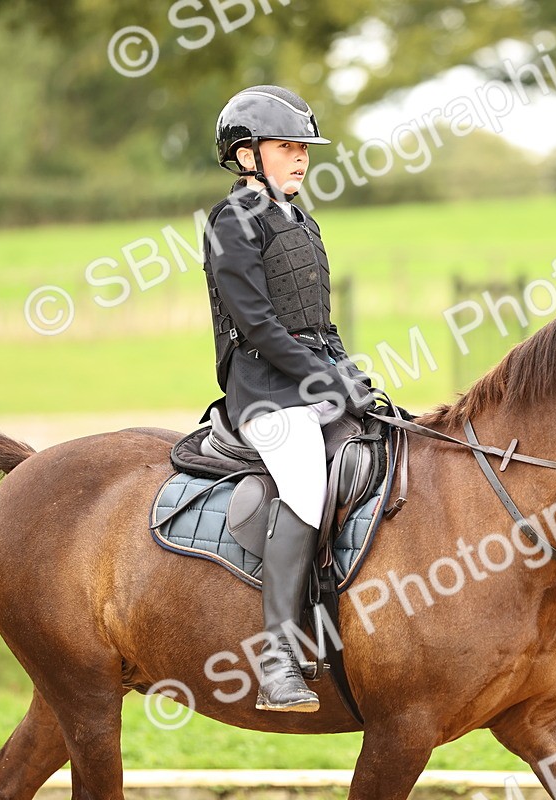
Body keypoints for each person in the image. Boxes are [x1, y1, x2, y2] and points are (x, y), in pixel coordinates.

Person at [202, 85, 373, 713]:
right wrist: (322, 378)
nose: (299, 159)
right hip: (264, 392)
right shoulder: (232, 222)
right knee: (304, 482)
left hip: (308, 380)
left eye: (303, 149)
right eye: (285, 148)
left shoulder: (299, 218)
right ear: (247, 156)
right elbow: (257, 324)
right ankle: (276, 656)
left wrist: (349, 376)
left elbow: (315, 323)